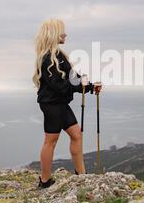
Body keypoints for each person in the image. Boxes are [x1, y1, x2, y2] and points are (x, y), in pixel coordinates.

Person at [32, 19, 102, 189]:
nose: (65, 34)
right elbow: (59, 85)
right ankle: (45, 181)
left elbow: (73, 78)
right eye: (62, 31)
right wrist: (80, 86)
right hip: (52, 105)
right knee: (51, 141)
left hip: (60, 103)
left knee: (76, 135)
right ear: (54, 33)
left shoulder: (59, 55)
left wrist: (90, 86)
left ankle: (81, 175)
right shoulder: (49, 58)